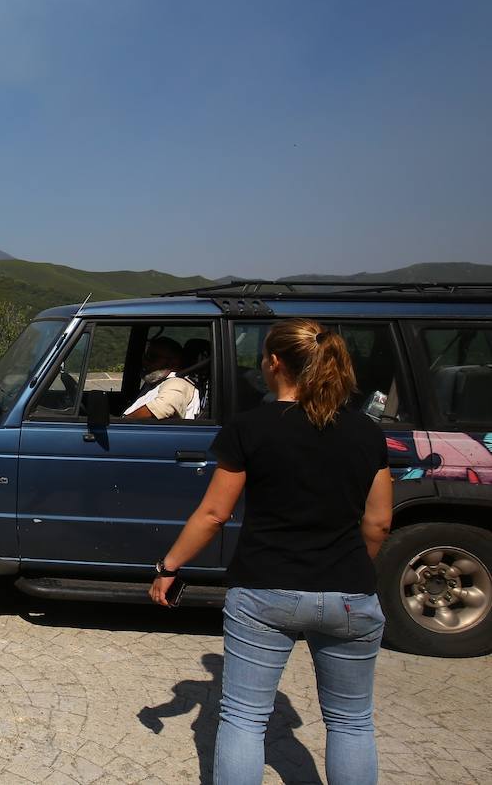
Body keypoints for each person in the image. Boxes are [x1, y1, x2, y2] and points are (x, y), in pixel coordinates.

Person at [149, 319, 392, 784]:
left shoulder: (250, 428)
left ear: (275, 363)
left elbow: (213, 515)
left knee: (244, 718)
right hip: (349, 591)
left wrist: (168, 566)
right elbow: (378, 522)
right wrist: (354, 569)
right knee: (351, 722)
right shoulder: (367, 432)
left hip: (265, 589)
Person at [124, 336, 201, 420]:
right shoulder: (156, 382)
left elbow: (162, 409)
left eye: (152, 357)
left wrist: (123, 420)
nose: (145, 361)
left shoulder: (177, 383)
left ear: (173, 362)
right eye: (145, 356)